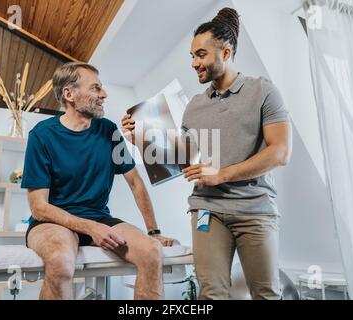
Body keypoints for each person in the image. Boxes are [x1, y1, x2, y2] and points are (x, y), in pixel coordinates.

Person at [122, 8, 292, 300]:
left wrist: (222, 174)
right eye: (192, 56)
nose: (193, 63)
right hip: (206, 209)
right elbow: (181, 162)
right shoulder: (195, 106)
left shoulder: (263, 91)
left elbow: (280, 152)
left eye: (200, 55)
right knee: (211, 294)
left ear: (226, 53)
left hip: (254, 209)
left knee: (266, 293)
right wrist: (142, 139)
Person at [22, 62, 174, 300]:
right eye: (95, 88)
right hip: (53, 222)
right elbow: (39, 207)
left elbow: (135, 183)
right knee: (60, 261)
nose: (103, 94)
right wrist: (90, 228)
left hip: (99, 217)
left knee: (152, 252)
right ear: (69, 94)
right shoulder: (41, 135)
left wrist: (153, 231)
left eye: (101, 88)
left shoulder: (109, 131)